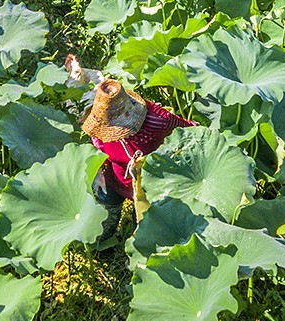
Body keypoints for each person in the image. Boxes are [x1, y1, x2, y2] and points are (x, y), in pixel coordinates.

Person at [65, 55, 196, 238]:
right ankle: (102, 247)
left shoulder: (156, 119)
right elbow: (95, 144)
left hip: (149, 187)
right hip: (112, 179)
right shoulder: (97, 122)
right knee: (103, 224)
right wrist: (98, 170)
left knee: (143, 231)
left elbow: (193, 131)